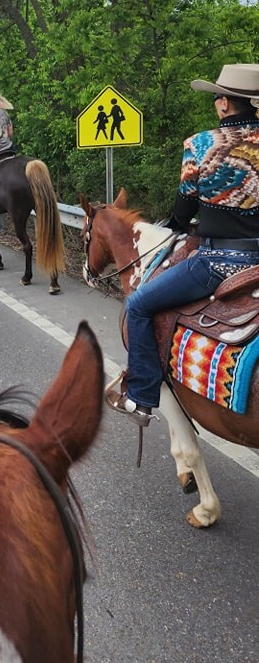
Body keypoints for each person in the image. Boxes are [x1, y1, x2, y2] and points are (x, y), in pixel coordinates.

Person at [106, 63, 259, 426]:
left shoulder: (201, 144)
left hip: (220, 262)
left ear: (224, 104)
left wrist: (177, 223)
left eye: (217, 99)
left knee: (139, 304)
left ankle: (141, 398)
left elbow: (183, 209)